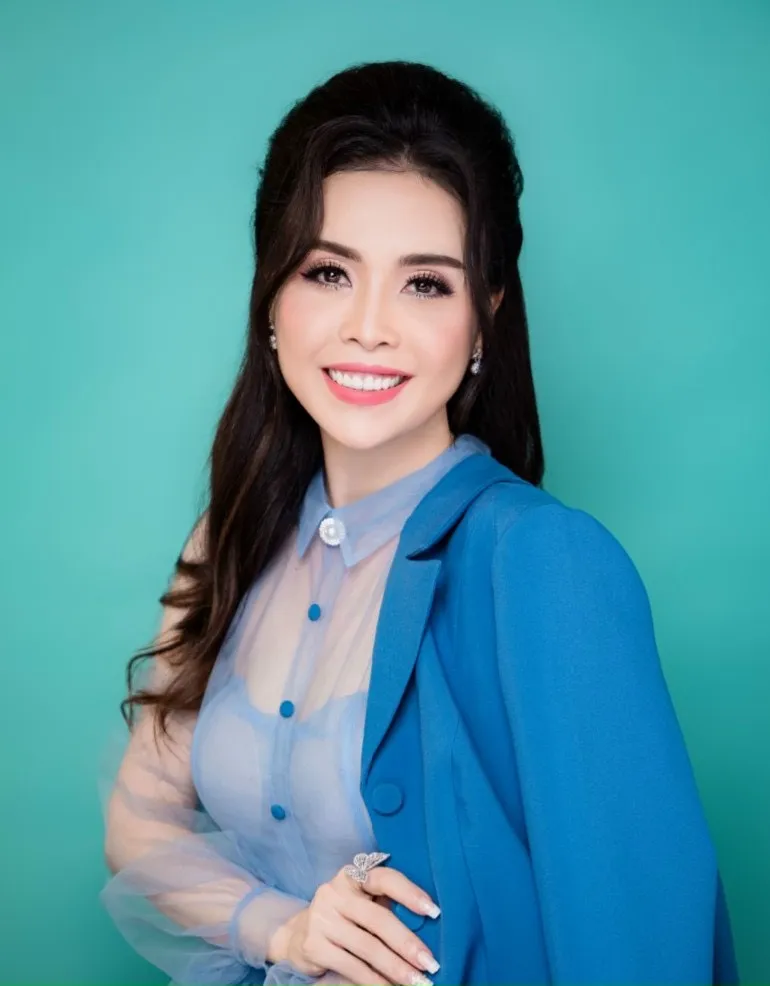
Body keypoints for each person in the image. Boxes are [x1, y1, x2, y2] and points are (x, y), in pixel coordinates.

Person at [100, 60, 739, 986]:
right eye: (328, 272)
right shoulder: (230, 537)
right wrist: (285, 929)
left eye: (426, 284)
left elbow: (640, 940)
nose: (369, 327)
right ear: (271, 297)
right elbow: (139, 824)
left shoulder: (539, 562)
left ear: (486, 315)